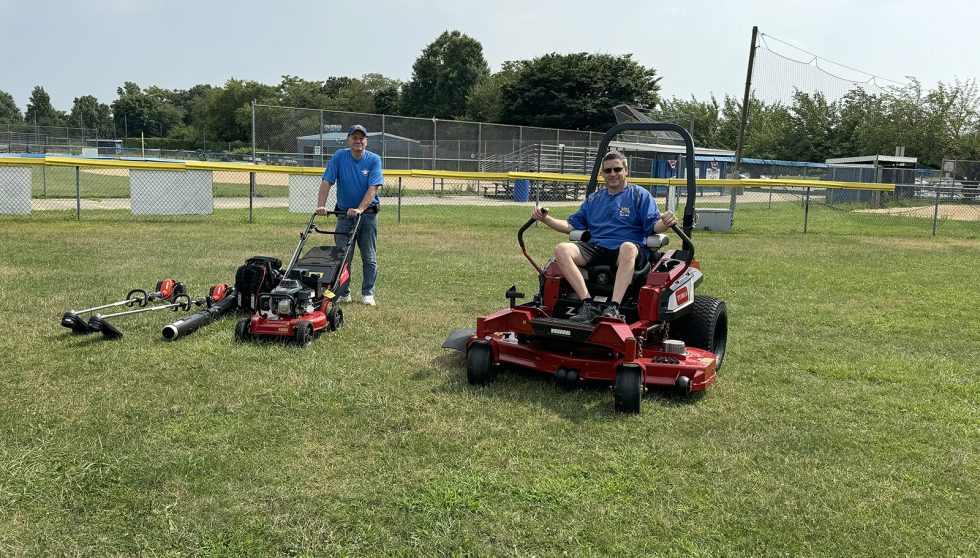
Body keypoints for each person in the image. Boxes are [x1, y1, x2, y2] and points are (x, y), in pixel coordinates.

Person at [531, 150, 677, 323]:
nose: (613, 174)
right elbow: (570, 226)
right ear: (602, 174)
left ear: (626, 170)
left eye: (617, 169)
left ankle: (614, 308)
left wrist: (666, 223)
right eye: (608, 171)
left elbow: (654, 226)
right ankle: (588, 304)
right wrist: (545, 218)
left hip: (629, 251)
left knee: (627, 247)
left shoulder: (640, 195)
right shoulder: (594, 199)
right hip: (597, 248)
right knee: (561, 249)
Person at [316, 124, 383, 306]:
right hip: (344, 215)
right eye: (354, 137)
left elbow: (373, 188)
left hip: (367, 216)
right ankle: (344, 292)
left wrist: (360, 208)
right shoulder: (339, 157)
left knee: (369, 257)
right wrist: (321, 205)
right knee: (343, 256)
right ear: (348, 140)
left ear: (366, 141)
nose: (358, 141)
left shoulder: (374, 160)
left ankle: (368, 293)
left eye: (361, 138)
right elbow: (327, 181)